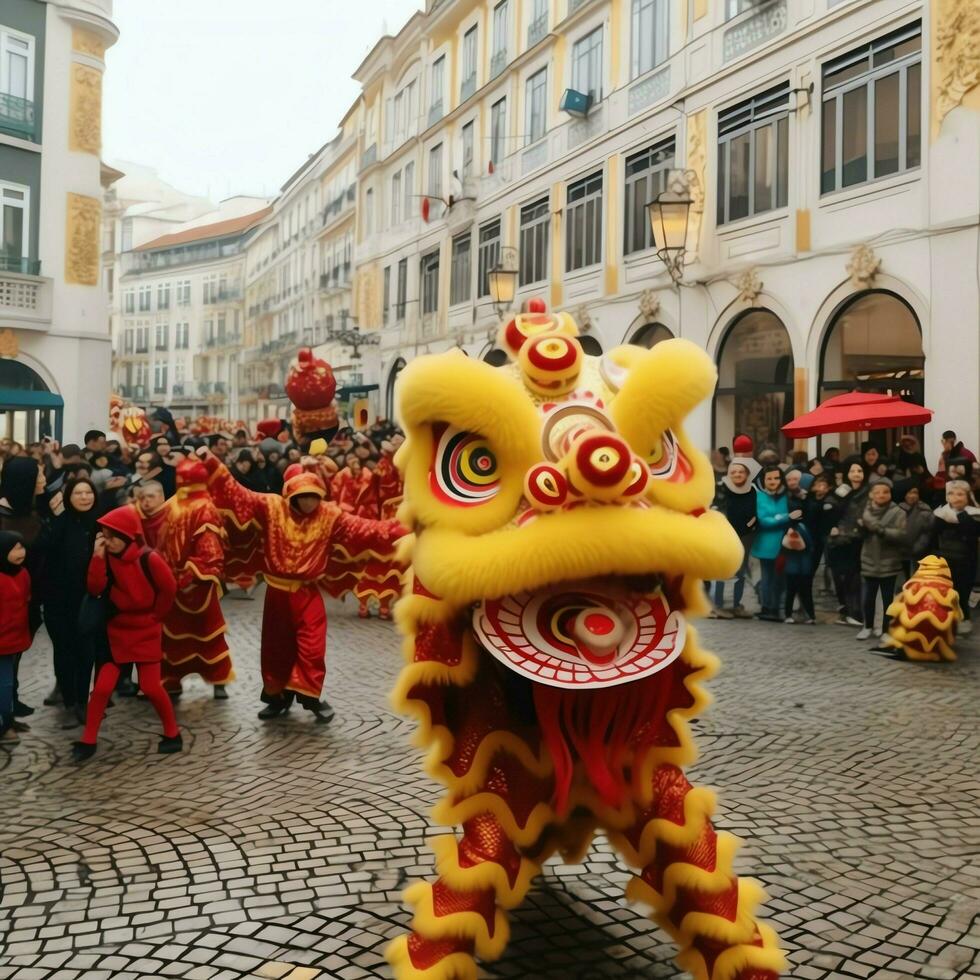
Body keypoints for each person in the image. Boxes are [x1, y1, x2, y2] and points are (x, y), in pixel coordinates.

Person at [199, 447, 404, 724]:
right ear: (290, 496)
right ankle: (277, 698)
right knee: (276, 650)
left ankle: (310, 696)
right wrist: (211, 462)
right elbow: (237, 493)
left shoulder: (330, 516)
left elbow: (368, 530)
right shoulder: (271, 507)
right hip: (277, 593)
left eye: (314, 496)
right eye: (303, 496)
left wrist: (409, 524)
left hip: (308, 593)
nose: (309, 502)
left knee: (312, 647)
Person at [72, 505, 180, 761]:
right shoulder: (105, 557)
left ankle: (173, 734)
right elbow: (95, 588)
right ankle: (88, 740)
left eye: (111, 536)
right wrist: (97, 557)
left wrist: (157, 616)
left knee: (151, 687)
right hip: (116, 631)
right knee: (101, 689)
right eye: (104, 536)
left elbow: (169, 589)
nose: (107, 541)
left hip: (146, 629)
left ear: (127, 534)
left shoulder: (149, 558)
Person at [155, 458, 234, 699]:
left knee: (183, 635)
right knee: (204, 634)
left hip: (181, 580)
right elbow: (212, 552)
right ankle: (216, 678)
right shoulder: (204, 506)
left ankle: (176, 679)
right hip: (188, 580)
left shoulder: (172, 505)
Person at [39, 478, 104, 726]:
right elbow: (46, 558)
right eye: (79, 493)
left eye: (89, 492)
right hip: (59, 602)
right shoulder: (58, 525)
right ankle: (68, 702)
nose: (85, 497)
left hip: (88, 601)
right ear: (69, 497)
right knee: (64, 652)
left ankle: (82, 702)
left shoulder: (100, 525)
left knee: (86, 652)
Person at [0, 456, 47, 719]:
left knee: (16, 651)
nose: (42, 480)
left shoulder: (33, 509)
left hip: (29, 595)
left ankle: (11, 699)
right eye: (38, 476)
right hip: (6, 597)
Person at [856, 477, 907, 643]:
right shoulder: (865, 511)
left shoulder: (898, 512)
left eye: (885, 492)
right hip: (869, 557)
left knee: (888, 599)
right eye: (877, 492)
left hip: (889, 560)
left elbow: (902, 534)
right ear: (871, 494)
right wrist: (861, 528)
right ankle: (868, 626)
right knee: (868, 597)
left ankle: (886, 628)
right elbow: (856, 534)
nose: (881, 495)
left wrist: (881, 530)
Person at [709, 457, 759, 619]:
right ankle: (717, 606)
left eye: (741, 471)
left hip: (746, 535)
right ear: (729, 473)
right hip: (725, 536)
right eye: (733, 471)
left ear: (747, 474)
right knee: (722, 571)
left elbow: (757, 510)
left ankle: (736, 605)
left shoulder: (752, 490)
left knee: (740, 572)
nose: (737, 474)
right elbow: (714, 510)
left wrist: (752, 522)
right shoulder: (720, 488)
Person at [929, 480, 980, 635]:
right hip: (944, 559)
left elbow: (973, 533)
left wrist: (961, 514)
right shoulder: (940, 513)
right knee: (943, 593)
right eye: (951, 493)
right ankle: (944, 623)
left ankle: (963, 619)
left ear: (967, 497)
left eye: (960, 494)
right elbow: (933, 537)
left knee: (961, 592)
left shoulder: (974, 514)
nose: (956, 497)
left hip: (966, 561)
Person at [751, 466, 799, 621]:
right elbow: (763, 520)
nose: (773, 481)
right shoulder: (759, 497)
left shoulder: (787, 495)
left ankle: (775, 608)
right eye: (769, 478)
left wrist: (777, 518)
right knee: (766, 577)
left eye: (776, 478)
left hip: (784, 543)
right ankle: (766, 607)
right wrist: (785, 517)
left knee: (780, 578)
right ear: (763, 480)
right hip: (766, 543)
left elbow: (796, 515)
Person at [826, 456, 869, 627]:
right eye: (852, 471)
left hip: (857, 539)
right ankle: (845, 610)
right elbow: (831, 510)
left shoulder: (868, 491)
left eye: (859, 471)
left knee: (854, 577)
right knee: (839, 576)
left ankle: (856, 613)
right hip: (838, 540)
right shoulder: (840, 491)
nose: (856, 474)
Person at [0, 532, 31, 747]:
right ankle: (5, 725)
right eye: (14, 548)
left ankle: (8, 718)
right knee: (5, 682)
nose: (20, 553)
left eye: (22, 547)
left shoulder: (23, 574)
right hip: (2, 640)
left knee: (10, 682)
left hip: (16, 638)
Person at [894, 478, 934, 578]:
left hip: (919, 553)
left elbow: (927, 533)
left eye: (915, 492)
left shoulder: (925, 510)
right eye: (909, 493)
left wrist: (917, 548)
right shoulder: (896, 510)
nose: (912, 496)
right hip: (899, 554)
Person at [782, 520, 816, 625]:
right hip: (803, 566)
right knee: (805, 592)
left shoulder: (791, 528)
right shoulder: (803, 527)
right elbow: (810, 546)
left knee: (791, 592)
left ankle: (788, 615)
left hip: (793, 566)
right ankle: (810, 615)